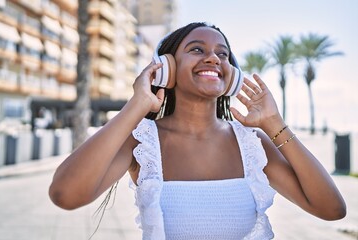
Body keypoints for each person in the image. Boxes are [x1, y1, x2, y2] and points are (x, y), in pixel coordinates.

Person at [49, 22, 346, 239]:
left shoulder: (253, 144)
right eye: (197, 49)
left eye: (223, 54)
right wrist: (136, 106)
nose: (214, 59)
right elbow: (66, 194)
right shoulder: (141, 143)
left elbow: (331, 209)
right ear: (166, 68)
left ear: (231, 76)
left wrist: (275, 125)